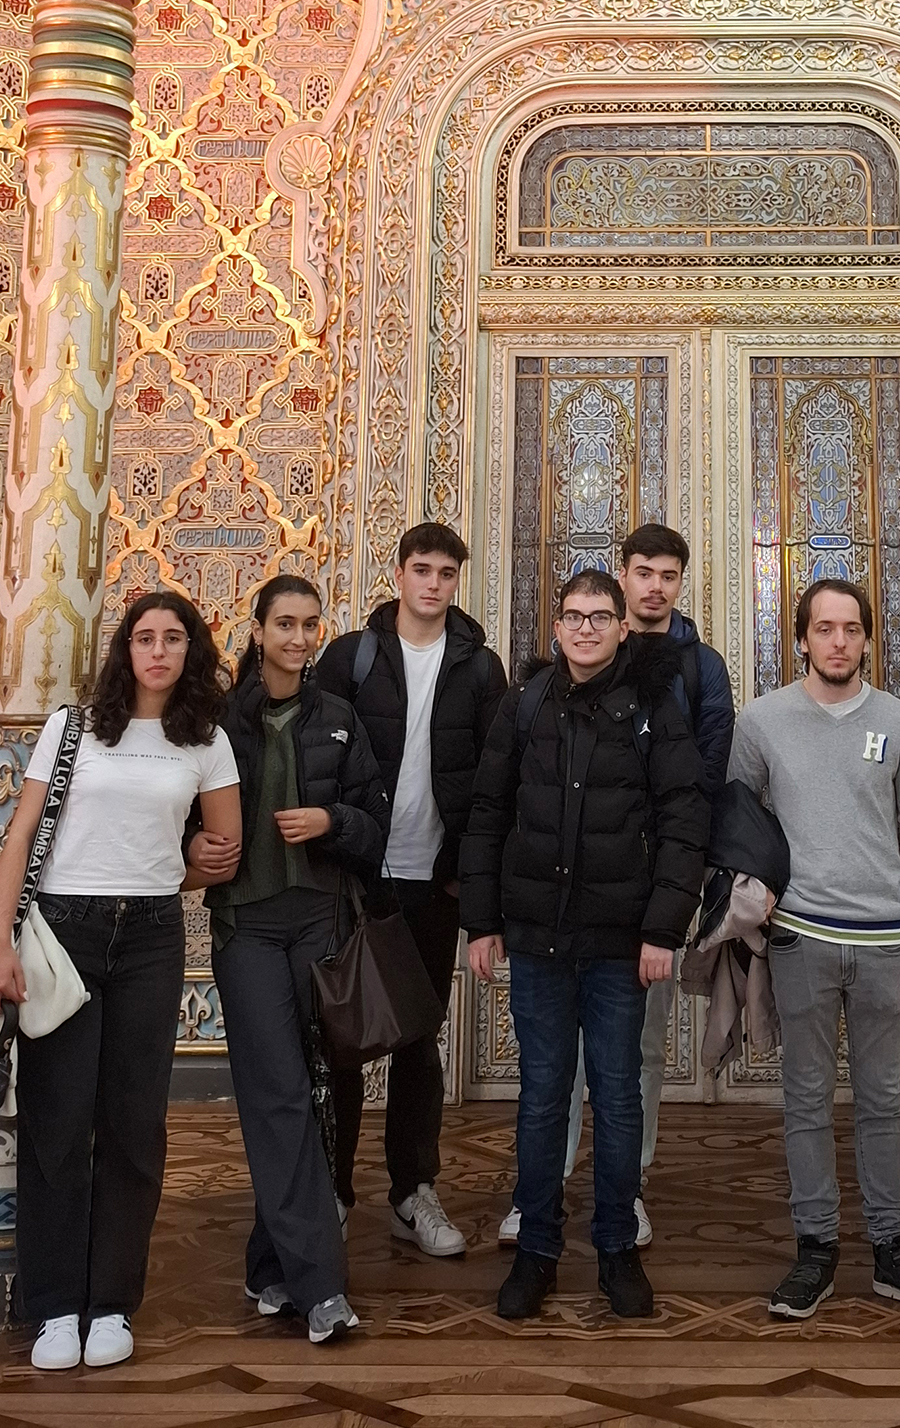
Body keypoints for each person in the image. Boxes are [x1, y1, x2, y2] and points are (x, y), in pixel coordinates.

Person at [0, 592, 241, 1372]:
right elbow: (21, 835)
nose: (157, 650)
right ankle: (56, 1306)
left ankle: (111, 1305)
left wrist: (169, 868)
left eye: (172, 638)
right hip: (63, 931)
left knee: (133, 1124)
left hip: (151, 936)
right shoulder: (74, 728)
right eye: (144, 637)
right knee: (58, 1121)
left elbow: (222, 850)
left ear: (191, 650)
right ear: (125, 649)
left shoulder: (207, 742)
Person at [461, 569, 709, 1321]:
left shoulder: (654, 705)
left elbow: (683, 818)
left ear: (622, 628)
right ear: (558, 626)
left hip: (619, 943)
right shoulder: (526, 703)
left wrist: (662, 929)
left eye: (601, 617)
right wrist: (482, 920)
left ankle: (616, 1249)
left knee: (618, 1095)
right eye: (574, 616)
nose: (586, 629)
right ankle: (536, 1250)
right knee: (542, 1096)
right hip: (538, 938)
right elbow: (488, 812)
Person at [728, 578, 900, 1322]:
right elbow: (737, 823)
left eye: (852, 629)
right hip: (801, 938)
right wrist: (755, 897)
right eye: (824, 628)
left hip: (886, 944)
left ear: (867, 638)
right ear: (801, 638)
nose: (838, 641)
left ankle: (893, 1250)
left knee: (883, 1101)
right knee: (805, 1100)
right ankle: (816, 1248)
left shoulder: (899, 723)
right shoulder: (761, 721)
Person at [499, 523, 733, 1251]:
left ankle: (628, 1189)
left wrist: (670, 889)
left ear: (679, 584)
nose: (655, 586)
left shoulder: (699, 669)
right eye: (643, 572)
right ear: (622, 579)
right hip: (558, 900)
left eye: (669, 575)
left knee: (637, 1055)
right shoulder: (557, 678)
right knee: (552, 1068)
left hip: (644, 895)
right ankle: (547, 1186)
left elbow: (701, 781)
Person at [202, 575, 389, 1345]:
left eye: (311, 624)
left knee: (314, 1093)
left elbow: (375, 825)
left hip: (320, 923)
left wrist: (331, 820)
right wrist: (195, 851)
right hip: (246, 929)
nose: (300, 638)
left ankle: (269, 1265)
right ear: (256, 630)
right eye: (284, 623)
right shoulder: (216, 722)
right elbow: (177, 820)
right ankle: (321, 1288)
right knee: (281, 1091)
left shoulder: (338, 717)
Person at [317, 522, 507, 1256]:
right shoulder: (352, 657)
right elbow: (316, 756)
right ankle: (332, 1193)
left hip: (435, 881)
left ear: (458, 580)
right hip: (357, 879)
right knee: (341, 1038)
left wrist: (470, 875)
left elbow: (492, 780)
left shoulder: (480, 668)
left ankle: (413, 1191)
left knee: (419, 1041)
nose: (433, 584)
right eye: (421, 569)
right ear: (398, 573)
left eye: (446, 573)